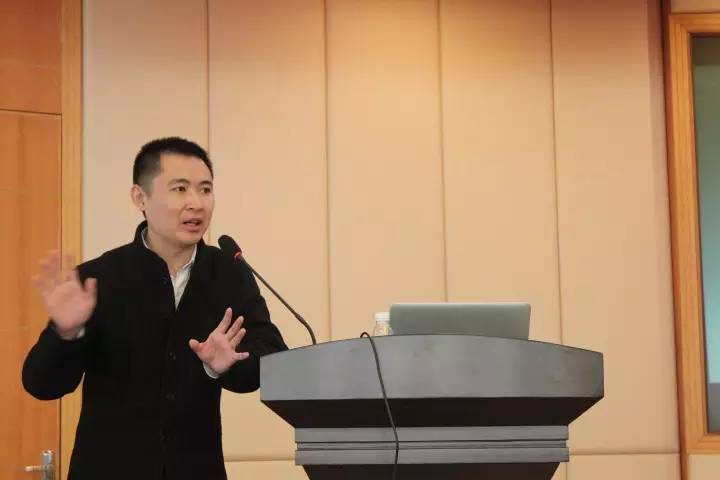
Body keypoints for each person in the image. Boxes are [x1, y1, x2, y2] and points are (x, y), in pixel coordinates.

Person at [22, 137, 288, 480]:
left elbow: (274, 361)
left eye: (205, 190)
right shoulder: (98, 279)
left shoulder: (229, 274)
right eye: (180, 189)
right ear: (140, 198)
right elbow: (42, 385)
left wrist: (228, 365)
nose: (196, 203)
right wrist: (66, 332)